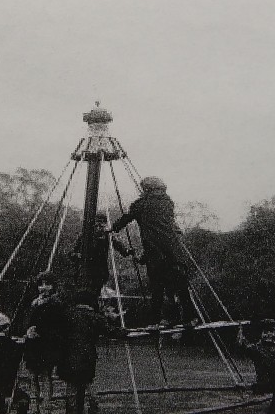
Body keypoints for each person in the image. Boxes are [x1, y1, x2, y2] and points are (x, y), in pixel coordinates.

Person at [109, 176, 196, 327]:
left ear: (146, 189)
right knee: (181, 287)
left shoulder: (141, 205)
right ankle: (190, 318)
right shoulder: (168, 203)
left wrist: (112, 228)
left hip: (155, 255)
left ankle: (156, 321)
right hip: (175, 254)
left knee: (157, 289)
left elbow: (128, 218)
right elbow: (161, 233)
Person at [58, 290, 125, 414]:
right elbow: (109, 330)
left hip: (68, 356)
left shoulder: (67, 315)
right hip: (87, 356)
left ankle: (72, 410)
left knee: (71, 387)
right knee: (88, 383)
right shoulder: (94, 317)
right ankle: (93, 408)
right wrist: (123, 331)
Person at [24, 272, 66, 414]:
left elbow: (57, 326)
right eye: (41, 284)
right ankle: (34, 406)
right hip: (33, 345)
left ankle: (46, 406)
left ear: (53, 286)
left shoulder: (56, 303)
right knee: (33, 376)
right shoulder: (34, 303)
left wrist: (41, 332)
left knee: (45, 375)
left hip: (46, 345)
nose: (43, 287)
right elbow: (28, 321)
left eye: (47, 284)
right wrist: (28, 331)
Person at [71, 212, 134, 301]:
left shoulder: (107, 237)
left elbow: (119, 246)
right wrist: (77, 255)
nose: (99, 228)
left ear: (105, 226)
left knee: (94, 295)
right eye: (97, 225)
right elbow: (71, 253)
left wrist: (127, 251)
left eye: (101, 226)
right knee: (82, 294)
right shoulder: (84, 236)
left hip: (99, 272)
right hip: (83, 271)